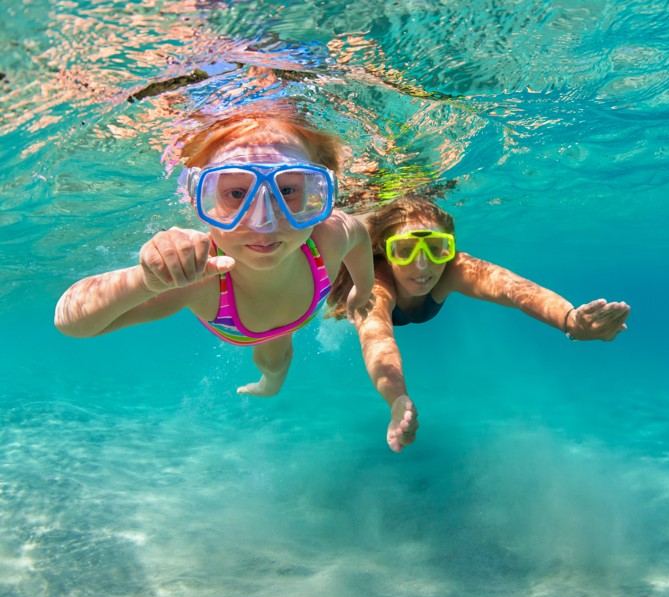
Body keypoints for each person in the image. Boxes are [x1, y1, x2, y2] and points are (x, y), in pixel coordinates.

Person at [55, 105, 375, 396]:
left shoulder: (329, 235)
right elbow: (71, 322)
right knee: (272, 357)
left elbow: (360, 237)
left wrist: (362, 289)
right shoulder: (200, 276)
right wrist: (146, 281)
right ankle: (269, 384)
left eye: (288, 190)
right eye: (236, 193)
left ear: (317, 190)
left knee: (278, 357)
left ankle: (270, 384)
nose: (263, 221)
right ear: (200, 199)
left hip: (293, 319)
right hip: (241, 326)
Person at [327, 195, 630, 452]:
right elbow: (378, 340)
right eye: (405, 250)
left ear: (450, 249)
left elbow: (514, 290)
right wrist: (396, 399)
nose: (423, 265)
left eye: (436, 248)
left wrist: (571, 320)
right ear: (387, 253)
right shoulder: (375, 285)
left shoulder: (454, 269)